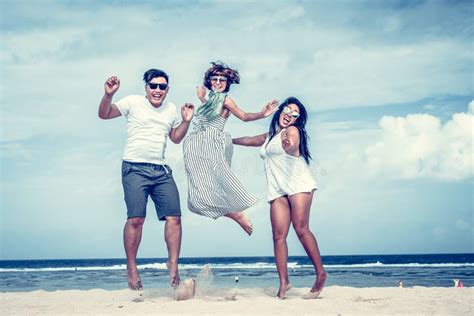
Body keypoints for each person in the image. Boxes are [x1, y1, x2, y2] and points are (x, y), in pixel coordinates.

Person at [98, 69, 195, 290]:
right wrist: (108, 95)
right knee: (136, 219)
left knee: (175, 217)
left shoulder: (171, 109)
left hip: (160, 170)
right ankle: (131, 267)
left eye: (162, 87)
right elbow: (104, 114)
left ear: (167, 89)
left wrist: (186, 121)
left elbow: (176, 138)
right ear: (146, 87)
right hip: (134, 167)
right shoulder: (132, 102)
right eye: (153, 85)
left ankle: (172, 263)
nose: (157, 90)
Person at [233, 97, 327, 299]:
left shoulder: (292, 131)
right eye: (287, 110)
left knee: (301, 229)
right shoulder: (270, 135)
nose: (290, 116)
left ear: (297, 120)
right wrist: (227, 140)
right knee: (278, 236)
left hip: (298, 185)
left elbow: (292, 144)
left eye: (295, 115)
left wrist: (288, 143)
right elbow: (250, 140)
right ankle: (284, 283)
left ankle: (320, 273)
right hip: (277, 189)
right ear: (280, 111)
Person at [183, 61, 278, 235]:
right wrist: (202, 99)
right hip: (195, 143)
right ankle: (233, 214)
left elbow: (244, 116)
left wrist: (262, 113)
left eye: (222, 80)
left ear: (228, 83)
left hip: (212, 141)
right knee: (196, 199)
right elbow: (209, 111)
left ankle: (237, 214)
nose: (218, 82)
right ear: (209, 81)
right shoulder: (210, 99)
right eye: (215, 79)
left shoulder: (226, 100)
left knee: (214, 183)